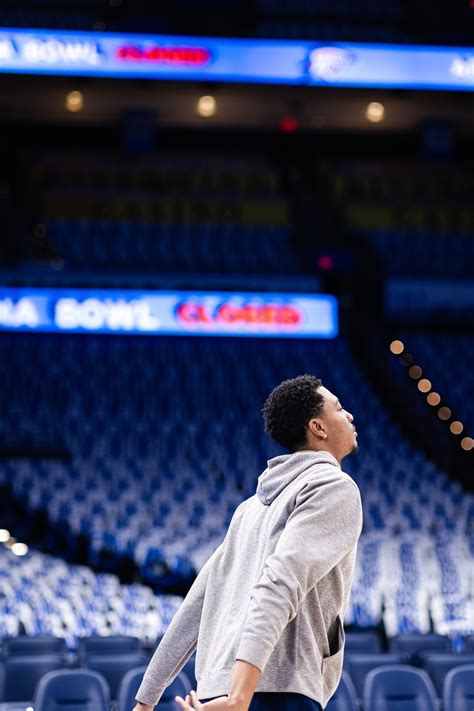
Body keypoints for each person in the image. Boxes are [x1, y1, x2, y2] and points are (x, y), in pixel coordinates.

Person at [134, 374, 363, 711]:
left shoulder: (250, 508)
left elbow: (196, 604)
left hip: (217, 691)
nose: (350, 416)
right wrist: (242, 695)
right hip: (273, 691)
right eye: (340, 408)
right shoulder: (332, 487)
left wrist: (145, 701)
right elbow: (281, 582)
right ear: (318, 428)